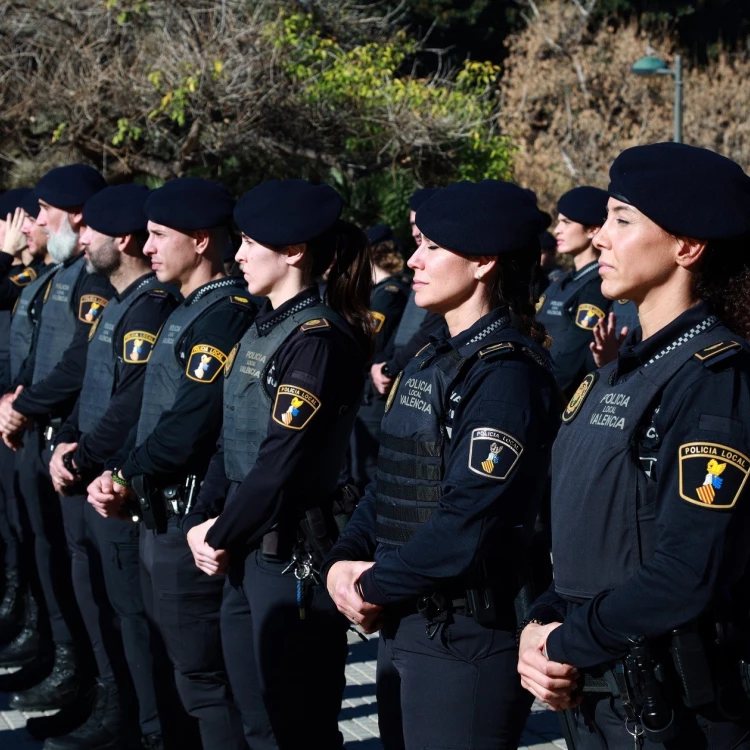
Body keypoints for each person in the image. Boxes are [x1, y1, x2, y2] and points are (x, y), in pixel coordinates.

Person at [517, 142, 750, 749]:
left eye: (623, 220)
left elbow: (687, 572)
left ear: (687, 246)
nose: (601, 239)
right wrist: (541, 620)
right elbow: (586, 535)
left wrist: (564, 642)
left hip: (673, 711)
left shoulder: (713, 380)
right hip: (599, 695)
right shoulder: (614, 372)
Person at [324, 180, 561, 750]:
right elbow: (392, 477)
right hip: (407, 620)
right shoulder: (435, 356)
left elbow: (467, 524)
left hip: (466, 639)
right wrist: (344, 559)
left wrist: (374, 583)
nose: (413, 261)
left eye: (431, 247)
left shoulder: (506, 375)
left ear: (482, 261)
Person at [182, 178, 371, 749]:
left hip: (290, 558)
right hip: (247, 550)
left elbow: (279, 462)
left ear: (293, 252)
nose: (236, 254)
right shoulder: (262, 326)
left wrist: (219, 531)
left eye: (249, 242)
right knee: (257, 720)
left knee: (297, 728)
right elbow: (231, 435)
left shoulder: (316, 339)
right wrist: (208, 517)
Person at [86, 177, 253, 750]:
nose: (147, 246)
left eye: (159, 235)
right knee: (184, 678)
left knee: (207, 685)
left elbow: (188, 426)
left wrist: (123, 474)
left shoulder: (224, 314)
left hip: (189, 521)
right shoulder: (189, 309)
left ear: (201, 240)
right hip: (160, 516)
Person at [44, 185, 180, 750]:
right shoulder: (120, 299)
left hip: (113, 482)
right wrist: (69, 437)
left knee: (134, 620)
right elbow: (94, 381)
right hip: (91, 470)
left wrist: (84, 454)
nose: (79, 240)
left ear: (116, 239)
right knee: (103, 601)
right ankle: (113, 706)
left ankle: (145, 727)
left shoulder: (151, 306)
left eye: (88, 231)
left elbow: (131, 403)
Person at [0, 164, 113, 714]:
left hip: (62, 440)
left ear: (76, 215)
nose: (35, 221)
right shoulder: (56, 277)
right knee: (45, 552)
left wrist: (21, 405)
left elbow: (78, 365)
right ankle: (63, 660)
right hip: (41, 433)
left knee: (79, 573)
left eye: (45, 210)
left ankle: (85, 678)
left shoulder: (91, 278)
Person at [0, 189, 55, 657]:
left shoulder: (36, 275)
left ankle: (42, 637)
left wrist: (5, 252)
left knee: (36, 535)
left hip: (31, 425)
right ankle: (26, 618)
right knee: (16, 528)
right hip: (14, 419)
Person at [349, 224, 410, 491]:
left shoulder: (388, 295)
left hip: (374, 395)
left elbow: (368, 342)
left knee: (369, 472)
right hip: (367, 392)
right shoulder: (379, 292)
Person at [537, 186, 611, 397]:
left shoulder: (597, 285)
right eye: (559, 222)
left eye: (566, 222)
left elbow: (570, 360)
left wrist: (537, 396)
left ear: (593, 230)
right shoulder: (563, 280)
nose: (557, 230)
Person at [370, 188, 444, 399]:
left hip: (417, 375)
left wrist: (389, 368)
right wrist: (381, 362)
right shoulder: (418, 267)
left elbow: (428, 331)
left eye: (417, 224)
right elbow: (402, 328)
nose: (414, 232)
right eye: (412, 225)